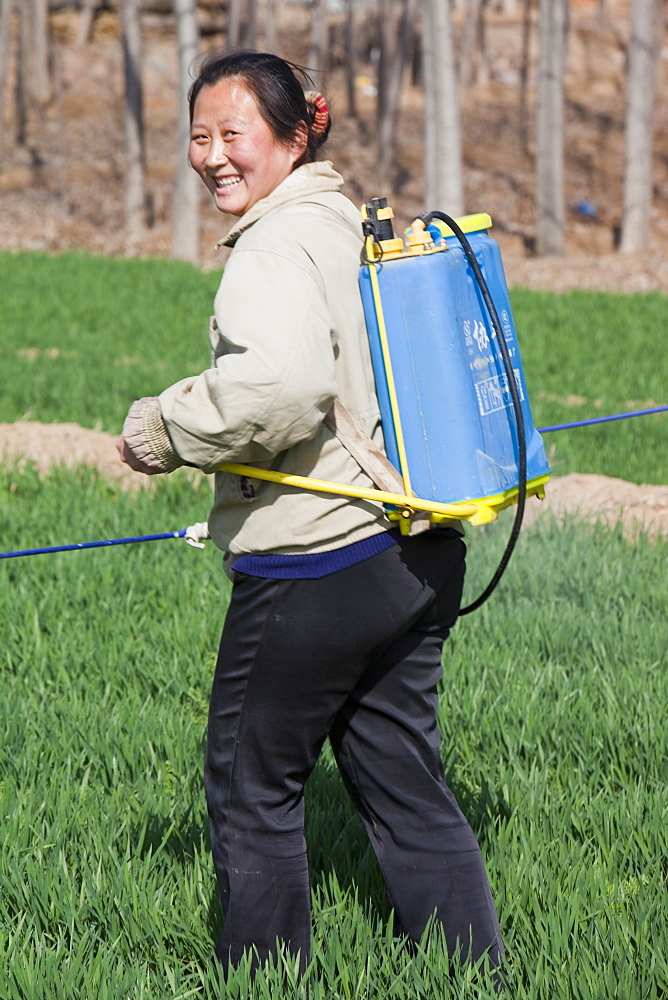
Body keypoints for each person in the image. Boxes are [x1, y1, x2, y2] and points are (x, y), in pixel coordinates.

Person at [117, 50, 504, 982]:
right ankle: (475, 975)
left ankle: (264, 981)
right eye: (199, 136)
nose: (212, 155)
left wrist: (159, 428)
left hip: (316, 564)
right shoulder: (342, 219)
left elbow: (279, 388)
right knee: (404, 781)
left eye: (233, 134)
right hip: (411, 551)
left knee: (252, 785)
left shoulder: (275, 244)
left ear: (296, 135)